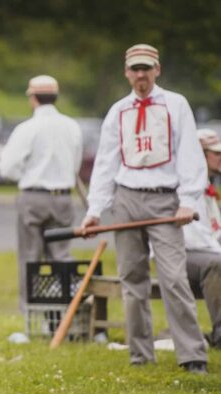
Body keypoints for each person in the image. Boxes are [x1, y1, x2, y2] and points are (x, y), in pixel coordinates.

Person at [81, 44, 208, 373]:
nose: (140, 75)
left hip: (165, 199)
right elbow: (106, 162)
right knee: (132, 279)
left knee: (174, 278)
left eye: (146, 68)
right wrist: (95, 209)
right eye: (135, 69)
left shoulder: (176, 105)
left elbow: (190, 155)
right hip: (127, 199)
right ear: (126, 72)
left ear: (157, 70)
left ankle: (192, 355)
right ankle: (140, 354)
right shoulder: (118, 111)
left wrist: (188, 201)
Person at [0, 75, 83, 319]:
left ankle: (31, 316)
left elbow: (6, 168)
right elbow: (75, 165)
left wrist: (26, 174)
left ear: (32, 99)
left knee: (30, 259)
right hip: (63, 197)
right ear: (55, 97)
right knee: (61, 257)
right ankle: (65, 312)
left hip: (34, 196)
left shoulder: (27, 129)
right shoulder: (71, 126)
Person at [182, 128, 221, 348]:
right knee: (216, 263)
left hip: (205, 248)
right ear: (201, 155)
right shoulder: (188, 186)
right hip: (184, 253)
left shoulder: (208, 184)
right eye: (216, 153)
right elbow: (193, 237)